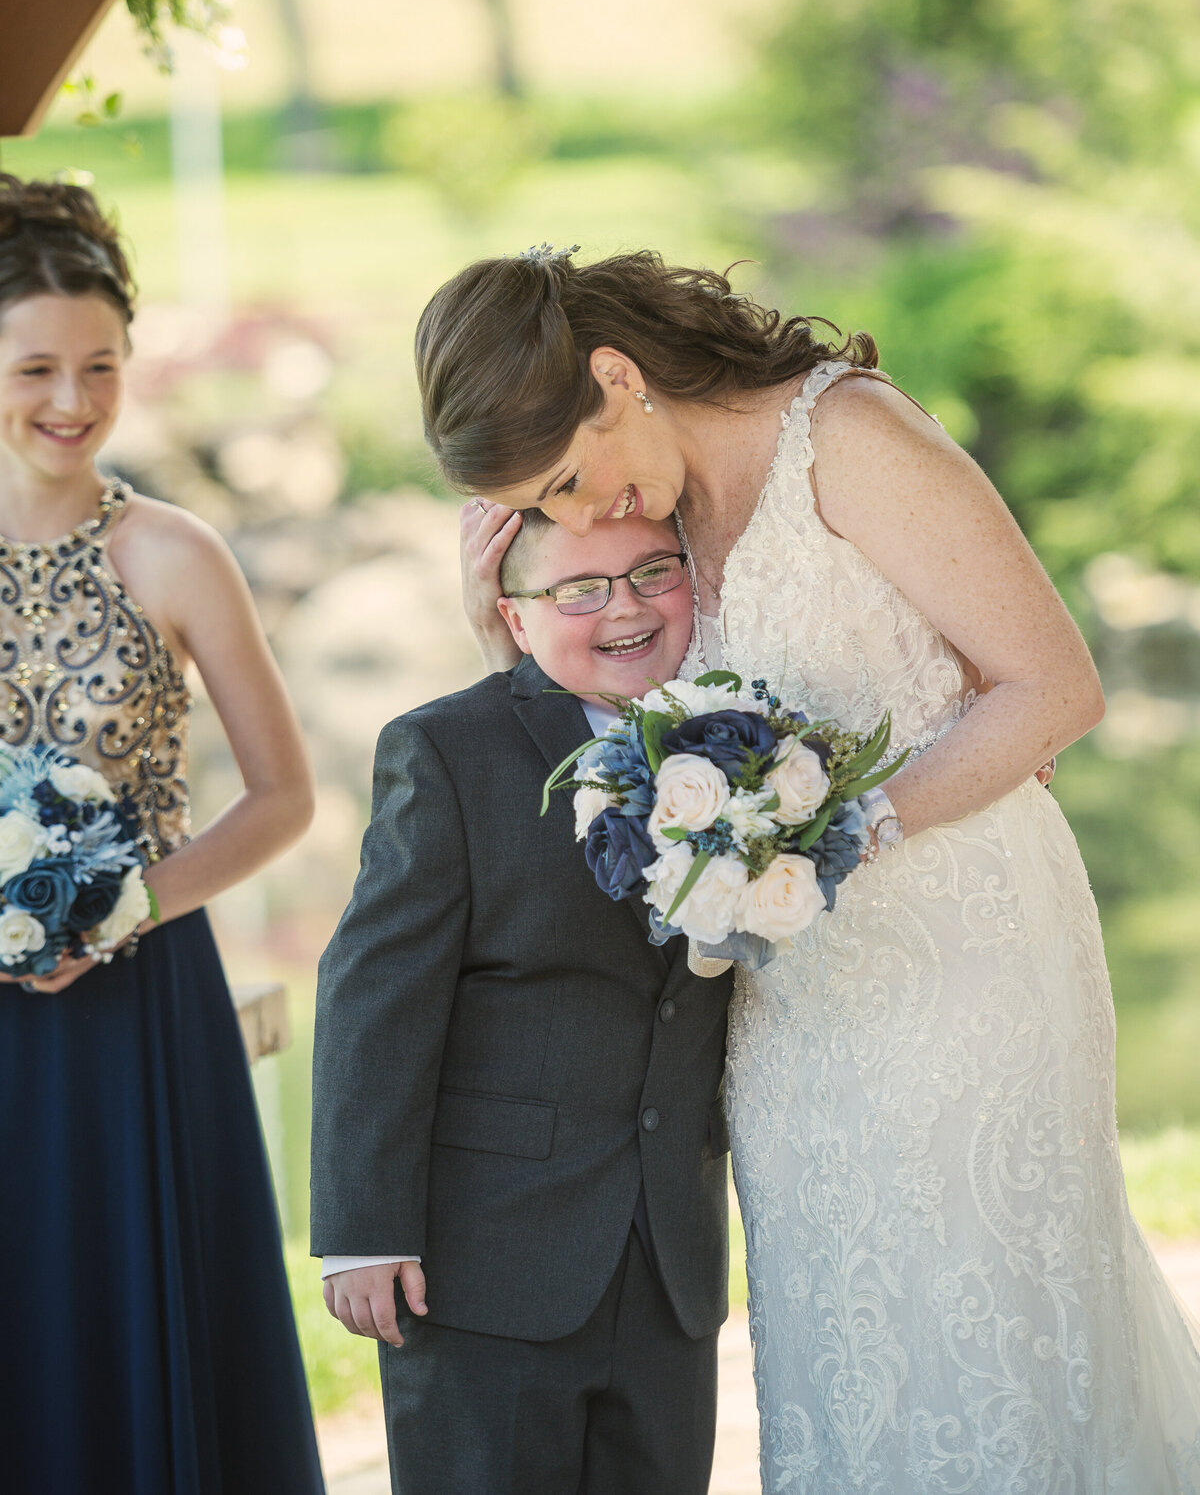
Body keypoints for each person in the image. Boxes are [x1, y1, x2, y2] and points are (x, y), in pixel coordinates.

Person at [418, 243, 1200, 1493]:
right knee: (848, 1333)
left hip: (964, 952)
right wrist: (495, 628)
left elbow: (1055, 687)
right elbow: (647, 737)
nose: (581, 520)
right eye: (545, 510)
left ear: (617, 376)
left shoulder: (850, 438)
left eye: (570, 478)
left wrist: (848, 830)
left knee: (984, 1312)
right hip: (791, 1001)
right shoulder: (654, 514)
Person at [0, 176, 324, 1495]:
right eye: (34, 366)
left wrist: (125, 904)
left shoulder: (174, 554)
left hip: (139, 1012)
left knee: (142, 1335)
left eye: (100, 366)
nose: (71, 399)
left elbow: (284, 794)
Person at [311, 509, 732, 1495]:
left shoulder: (748, 744)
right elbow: (376, 998)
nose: (624, 607)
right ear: (513, 615)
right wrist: (365, 1229)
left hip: (671, 1259)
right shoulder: (449, 749)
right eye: (579, 589)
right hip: (485, 1262)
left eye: (652, 572)